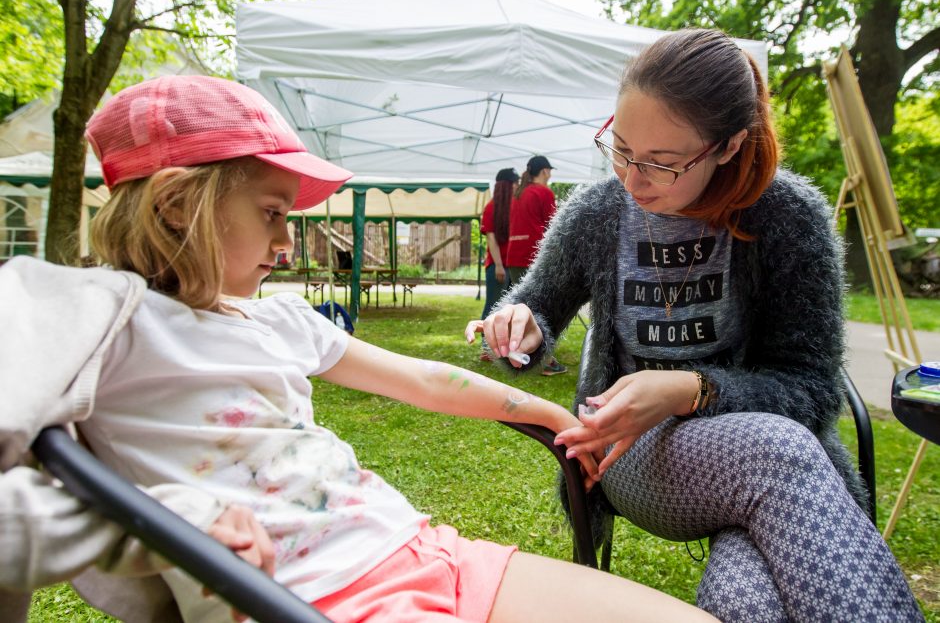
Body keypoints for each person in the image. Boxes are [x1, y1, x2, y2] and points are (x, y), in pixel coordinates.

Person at [0, 75, 716, 623]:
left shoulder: (278, 318)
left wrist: (550, 413)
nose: (286, 243)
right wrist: (161, 520)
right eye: (274, 213)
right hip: (307, 598)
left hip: (421, 549)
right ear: (176, 204)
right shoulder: (84, 312)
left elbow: (429, 381)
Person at [467, 29, 923, 621]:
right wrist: (521, 324)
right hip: (630, 454)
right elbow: (540, 303)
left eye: (662, 163)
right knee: (780, 452)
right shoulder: (599, 212)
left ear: (730, 146)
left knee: (746, 602)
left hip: (763, 462)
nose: (633, 179)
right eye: (621, 147)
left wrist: (692, 391)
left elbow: (812, 394)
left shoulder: (789, 218)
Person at [504, 155, 566, 376]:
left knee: (520, 307)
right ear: (545, 171)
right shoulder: (544, 193)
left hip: (514, 255)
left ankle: (514, 352)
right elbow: (554, 228)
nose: (550, 175)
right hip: (534, 256)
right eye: (549, 171)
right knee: (542, 308)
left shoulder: (518, 194)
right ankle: (545, 360)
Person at [479, 168, 517, 359]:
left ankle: (504, 347)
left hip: (511, 264)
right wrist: (500, 265)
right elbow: (491, 240)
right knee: (493, 306)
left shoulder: (515, 206)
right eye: (515, 182)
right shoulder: (491, 208)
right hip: (498, 265)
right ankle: (486, 347)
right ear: (507, 185)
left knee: (509, 308)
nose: (518, 185)